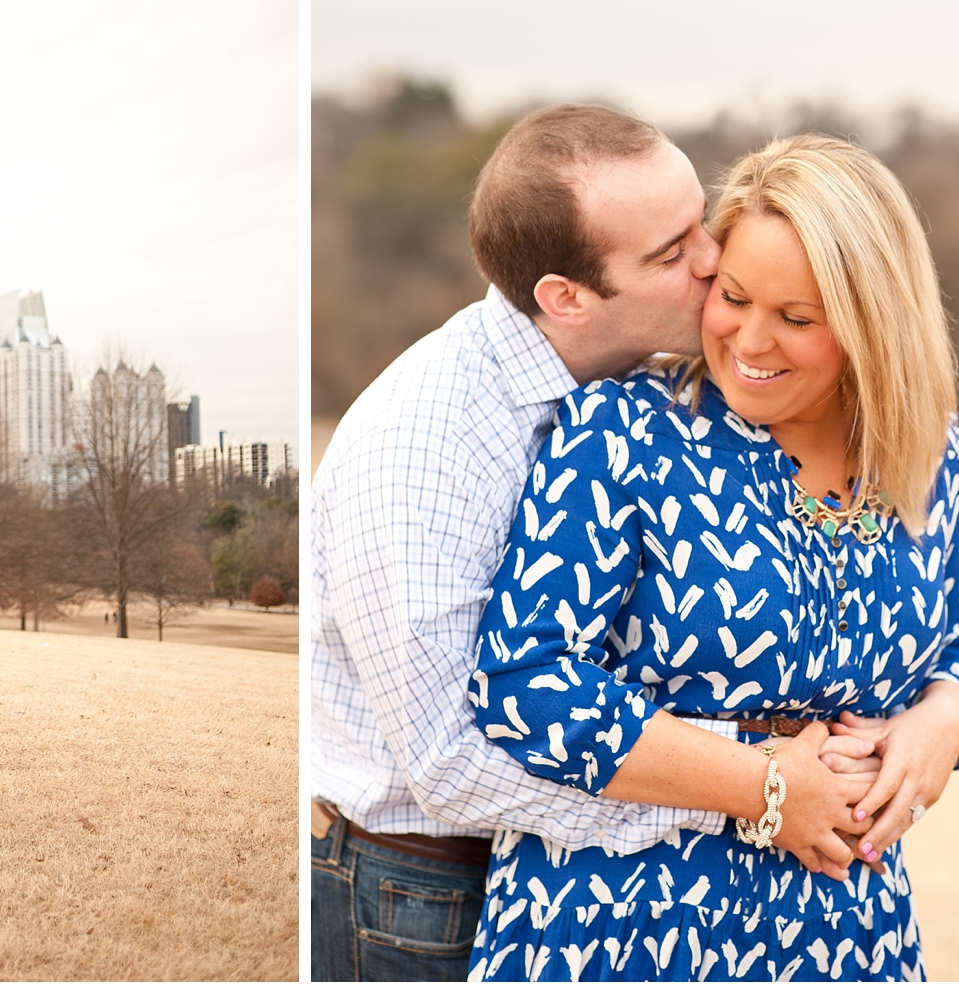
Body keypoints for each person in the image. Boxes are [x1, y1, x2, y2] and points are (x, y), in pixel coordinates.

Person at [466, 134, 959, 981]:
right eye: (735, 297)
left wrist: (944, 723)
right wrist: (766, 787)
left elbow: (955, 646)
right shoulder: (627, 434)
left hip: (849, 930)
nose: (750, 340)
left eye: (797, 319)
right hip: (624, 922)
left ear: (872, 326)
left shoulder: (933, 460)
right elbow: (525, 682)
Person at [312, 105, 748, 981]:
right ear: (565, 298)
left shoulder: (655, 388)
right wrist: (738, 793)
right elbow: (446, 761)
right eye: (672, 251)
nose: (713, 259)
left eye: (702, 222)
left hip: (560, 880)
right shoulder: (428, 441)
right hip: (422, 890)